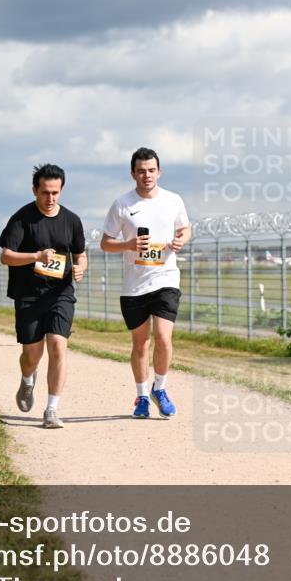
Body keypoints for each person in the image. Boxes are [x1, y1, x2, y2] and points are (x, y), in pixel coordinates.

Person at [100, 147, 191, 419]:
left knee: (163, 337)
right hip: (135, 285)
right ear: (133, 173)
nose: (146, 175)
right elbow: (105, 243)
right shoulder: (122, 204)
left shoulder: (173, 200)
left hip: (166, 278)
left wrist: (180, 240)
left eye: (151, 170)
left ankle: (160, 389)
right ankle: (141, 396)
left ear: (159, 172)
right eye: (141, 171)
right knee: (140, 344)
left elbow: (185, 228)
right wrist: (127, 244)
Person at [0, 164, 87, 429]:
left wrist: (81, 267)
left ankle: (51, 410)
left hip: (60, 292)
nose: (51, 199)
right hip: (28, 294)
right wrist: (36, 256)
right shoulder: (21, 219)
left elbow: (80, 254)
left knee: (58, 345)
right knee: (32, 354)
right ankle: (27, 380)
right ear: (35, 190)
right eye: (45, 192)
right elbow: (6, 256)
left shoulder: (72, 220)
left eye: (56, 193)